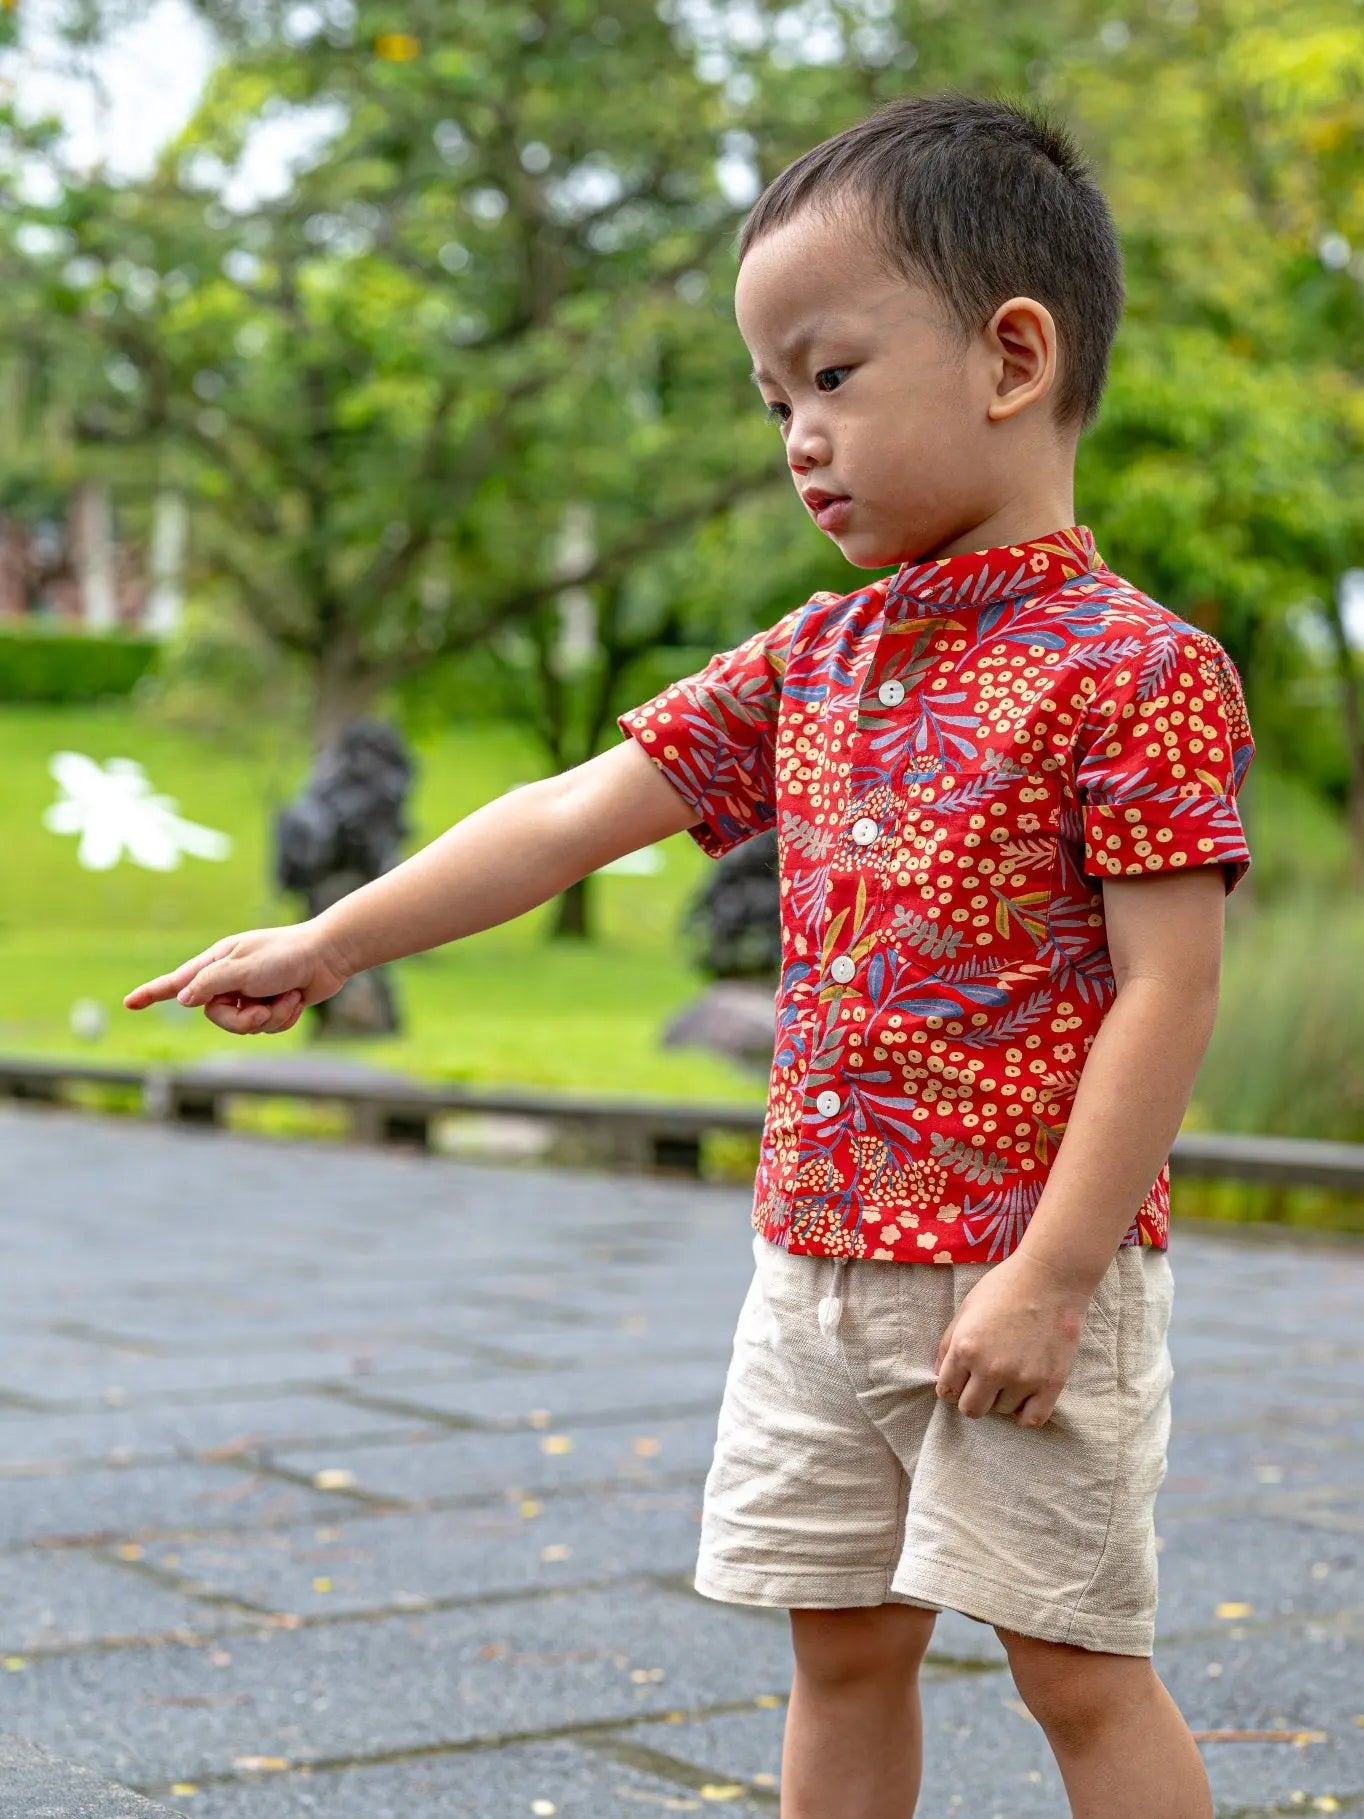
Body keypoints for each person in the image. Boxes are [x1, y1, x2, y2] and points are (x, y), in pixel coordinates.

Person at [125, 91, 1255, 1819]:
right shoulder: (816, 655)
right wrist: (334, 938)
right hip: (815, 1262)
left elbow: (1171, 989)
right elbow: (578, 809)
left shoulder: (1135, 667)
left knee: (1075, 1664)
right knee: (841, 1646)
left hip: (1024, 1264)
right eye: (774, 399)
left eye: (833, 375)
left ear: (1012, 356)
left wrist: (1053, 1274)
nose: (798, 436)